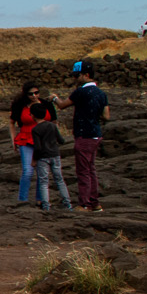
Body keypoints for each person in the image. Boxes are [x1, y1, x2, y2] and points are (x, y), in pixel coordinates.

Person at [7, 82, 58, 207]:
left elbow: (54, 122)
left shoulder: (46, 105)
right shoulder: (20, 106)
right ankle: (22, 200)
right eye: (31, 94)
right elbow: (12, 122)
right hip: (26, 139)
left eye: (36, 93)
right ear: (26, 94)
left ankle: (40, 199)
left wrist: (53, 139)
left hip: (43, 141)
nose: (34, 96)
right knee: (28, 171)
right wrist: (13, 139)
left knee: (42, 171)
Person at [69, 62, 111, 211]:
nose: (75, 79)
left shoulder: (80, 92)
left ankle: (84, 204)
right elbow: (106, 116)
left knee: (83, 171)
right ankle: (95, 203)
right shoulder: (101, 93)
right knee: (91, 169)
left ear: (86, 75)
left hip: (83, 134)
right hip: (95, 134)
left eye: (77, 75)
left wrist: (54, 99)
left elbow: (62, 105)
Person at [30, 112, 71, 210]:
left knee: (44, 181)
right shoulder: (52, 125)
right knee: (59, 179)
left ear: (33, 115)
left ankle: (46, 206)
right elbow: (61, 140)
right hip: (55, 155)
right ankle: (68, 204)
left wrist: (34, 159)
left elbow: (38, 147)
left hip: (43, 157)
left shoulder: (36, 129)